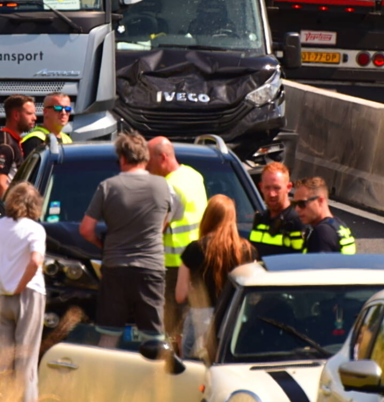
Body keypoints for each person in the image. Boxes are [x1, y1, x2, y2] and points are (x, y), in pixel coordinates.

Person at [80, 132, 180, 348]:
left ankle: (105, 368)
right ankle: (155, 369)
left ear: (123, 158)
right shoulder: (164, 186)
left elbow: (86, 230)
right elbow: (168, 220)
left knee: (109, 334)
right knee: (154, 338)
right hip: (151, 268)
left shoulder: (108, 186)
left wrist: (105, 246)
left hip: (115, 268)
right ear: (145, 157)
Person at [0, 182, 46, 402]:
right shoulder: (35, 229)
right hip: (29, 293)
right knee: (26, 361)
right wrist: (20, 286)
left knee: (2, 359)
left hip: (1, 295)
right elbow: (35, 261)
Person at [176, 195, 257, 358]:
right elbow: (253, 295)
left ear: (208, 217)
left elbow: (180, 295)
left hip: (200, 317)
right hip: (234, 316)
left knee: (191, 364)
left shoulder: (194, 249)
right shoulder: (248, 250)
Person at [148, 136, 208, 342]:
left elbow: (154, 229)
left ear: (163, 157)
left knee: (170, 326)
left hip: (173, 266)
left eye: (149, 159)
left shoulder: (168, 187)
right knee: (190, 324)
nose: (146, 165)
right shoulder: (193, 175)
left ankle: (171, 359)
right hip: (197, 262)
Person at [0, 94, 37, 200]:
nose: (34, 118)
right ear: (16, 115)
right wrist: (15, 208)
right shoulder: (4, 146)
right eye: (29, 113)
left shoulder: (12, 141)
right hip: (3, 208)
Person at [250, 162, 306, 256]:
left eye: (277, 188)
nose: (272, 194)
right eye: (267, 188)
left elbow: (301, 262)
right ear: (261, 187)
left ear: (288, 187)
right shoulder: (260, 219)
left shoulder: (296, 223)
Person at [292, 177, 356, 254]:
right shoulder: (338, 225)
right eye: (294, 204)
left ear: (320, 201)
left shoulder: (322, 232)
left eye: (302, 204)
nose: (297, 209)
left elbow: (318, 262)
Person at [21, 92, 73, 158]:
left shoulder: (67, 139)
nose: (63, 112)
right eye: (58, 108)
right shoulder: (35, 140)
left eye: (67, 109)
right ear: (45, 112)